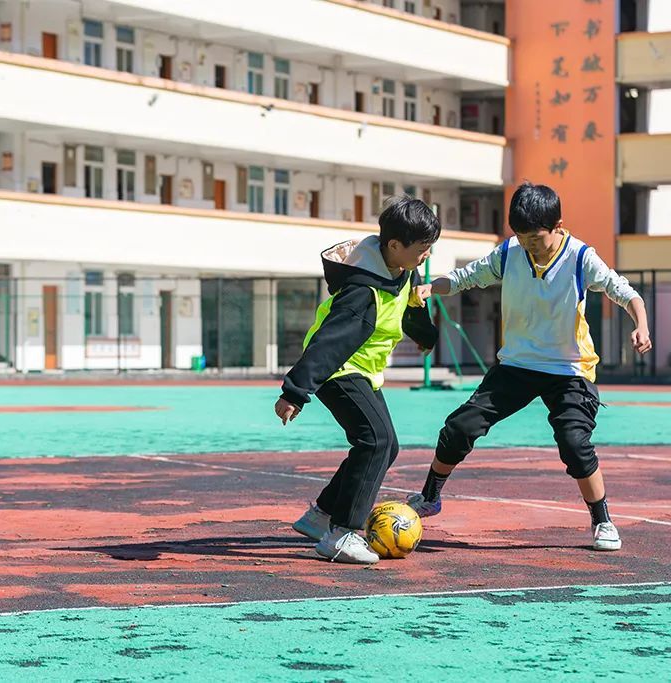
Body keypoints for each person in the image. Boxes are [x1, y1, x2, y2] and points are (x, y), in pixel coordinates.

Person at [406, 182, 652, 551]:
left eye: (535, 238)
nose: (528, 246)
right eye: (521, 237)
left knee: (574, 442)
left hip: (570, 369)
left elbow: (626, 293)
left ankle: (602, 520)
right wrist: (431, 288)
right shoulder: (509, 253)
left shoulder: (581, 257)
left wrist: (642, 324)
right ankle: (430, 497)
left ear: (557, 226)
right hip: (518, 364)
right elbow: (465, 278)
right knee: (459, 427)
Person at [276, 197, 439, 564]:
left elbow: (406, 307)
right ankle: (341, 534)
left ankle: (319, 517)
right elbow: (329, 341)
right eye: (421, 248)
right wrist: (295, 392)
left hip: (361, 368)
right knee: (375, 440)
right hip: (338, 368)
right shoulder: (361, 292)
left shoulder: (399, 269)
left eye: (430, 247)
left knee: (385, 444)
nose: (426, 255)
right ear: (395, 245)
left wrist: (424, 335)